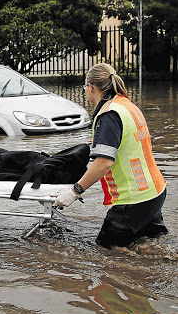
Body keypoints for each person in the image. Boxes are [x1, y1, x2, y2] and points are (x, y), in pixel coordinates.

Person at [54, 63, 167, 249]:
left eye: (85, 87)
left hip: (133, 201)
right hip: (155, 192)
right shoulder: (127, 105)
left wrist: (74, 191)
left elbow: (104, 163)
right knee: (153, 248)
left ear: (91, 87)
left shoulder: (109, 114)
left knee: (106, 255)